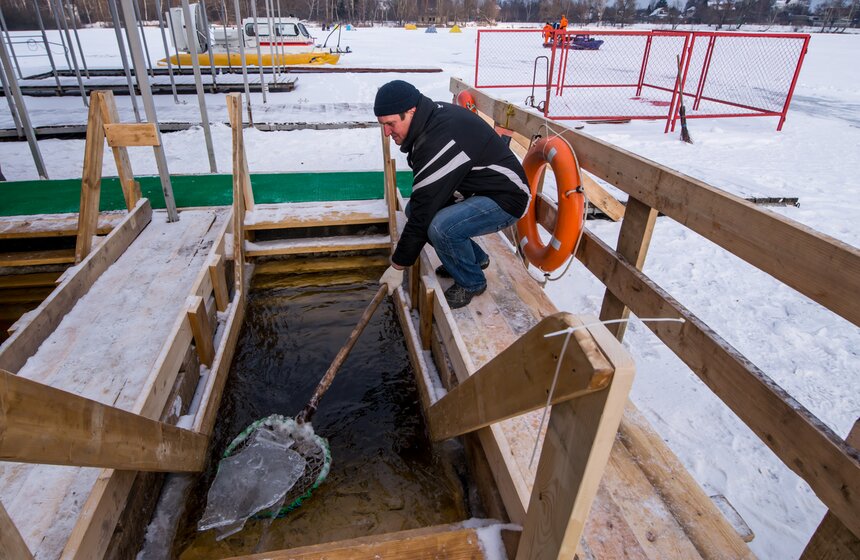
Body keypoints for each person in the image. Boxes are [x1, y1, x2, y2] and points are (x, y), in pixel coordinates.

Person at [374, 80, 530, 309]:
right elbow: (420, 206)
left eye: (390, 124)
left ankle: (472, 282)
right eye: (382, 125)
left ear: (411, 112)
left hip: (506, 198)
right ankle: (474, 259)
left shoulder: (441, 139)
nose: (387, 133)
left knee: (440, 227)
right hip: (476, 188)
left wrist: (398, 266)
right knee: (414, 210)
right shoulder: (428, 121)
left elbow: (424, 213)